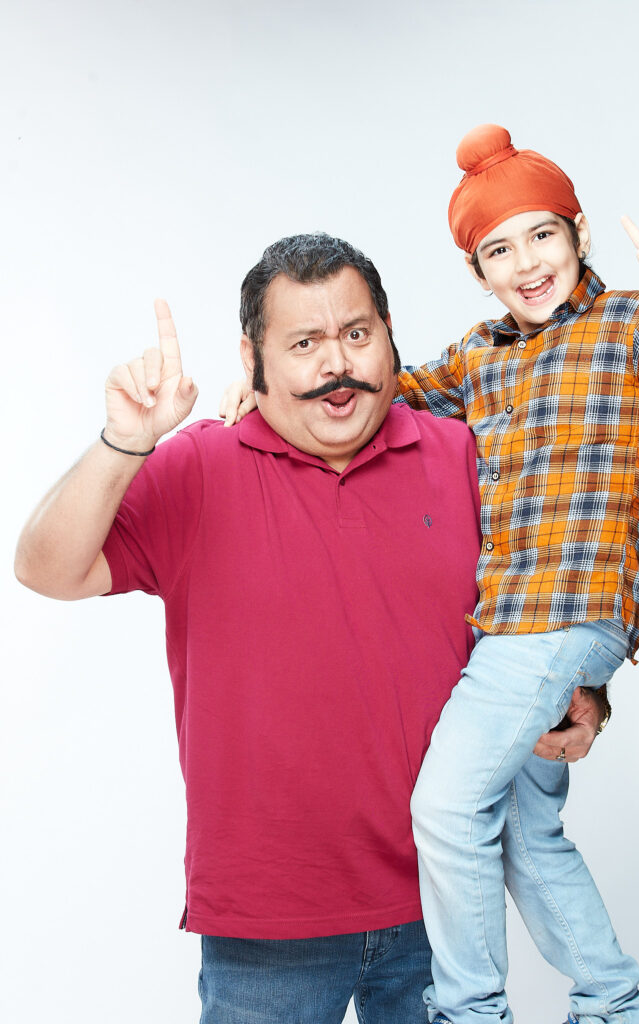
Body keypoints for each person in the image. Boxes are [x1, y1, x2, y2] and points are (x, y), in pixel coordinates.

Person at [219, 127, 639, 1024]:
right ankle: (616, 1007)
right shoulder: (479, 355)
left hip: (569, 610)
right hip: (505, 625)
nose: (526, 263)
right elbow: (378, 394)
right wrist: (272, 392)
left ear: (578, 234)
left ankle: (469, 1011)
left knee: (444, 808)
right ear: (477, 272)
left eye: (542, 235)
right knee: (522, 831)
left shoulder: (629, 322)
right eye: (498, 250)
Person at [14, 231, 606, 1024]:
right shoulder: (199, 467)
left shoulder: (466, 455)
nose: (337, 364)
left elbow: (545, 607)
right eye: (303, 345)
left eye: (356, 334)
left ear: (388, 333)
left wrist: (585, 697)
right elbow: (46, 570)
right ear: (252, 359)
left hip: (446, 903)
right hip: (268, 922)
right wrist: (126, 441)